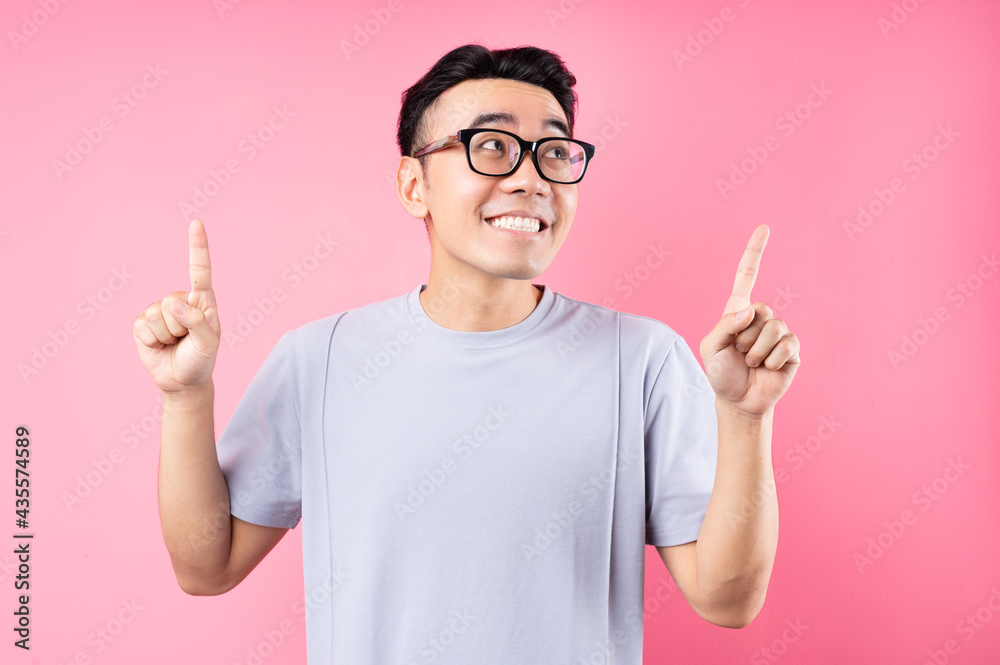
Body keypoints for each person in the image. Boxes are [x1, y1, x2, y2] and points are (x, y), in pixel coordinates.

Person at [133, 44, 800, 664]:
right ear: (413, 185)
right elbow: (205, 566)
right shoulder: (322, 359)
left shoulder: (643, 359)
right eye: (492, 146)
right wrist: (186, 397)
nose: (529, 179)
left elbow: (727, 599)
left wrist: (745, 419)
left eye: (553, 153)